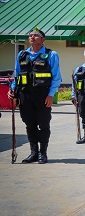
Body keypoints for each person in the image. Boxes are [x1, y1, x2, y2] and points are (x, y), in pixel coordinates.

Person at [8, 27, 62, 164]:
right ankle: (33, 152)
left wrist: (51, 95)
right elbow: (17, 75)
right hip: (25, 95)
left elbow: (56, 77)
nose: (32, 37)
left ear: (43, 39)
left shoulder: (51, 55)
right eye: (30, 35)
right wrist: (12, 90)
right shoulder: (22, 55)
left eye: (36, 35)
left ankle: (43, 153)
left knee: (43, 124)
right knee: (29, 124)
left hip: (42, 95)